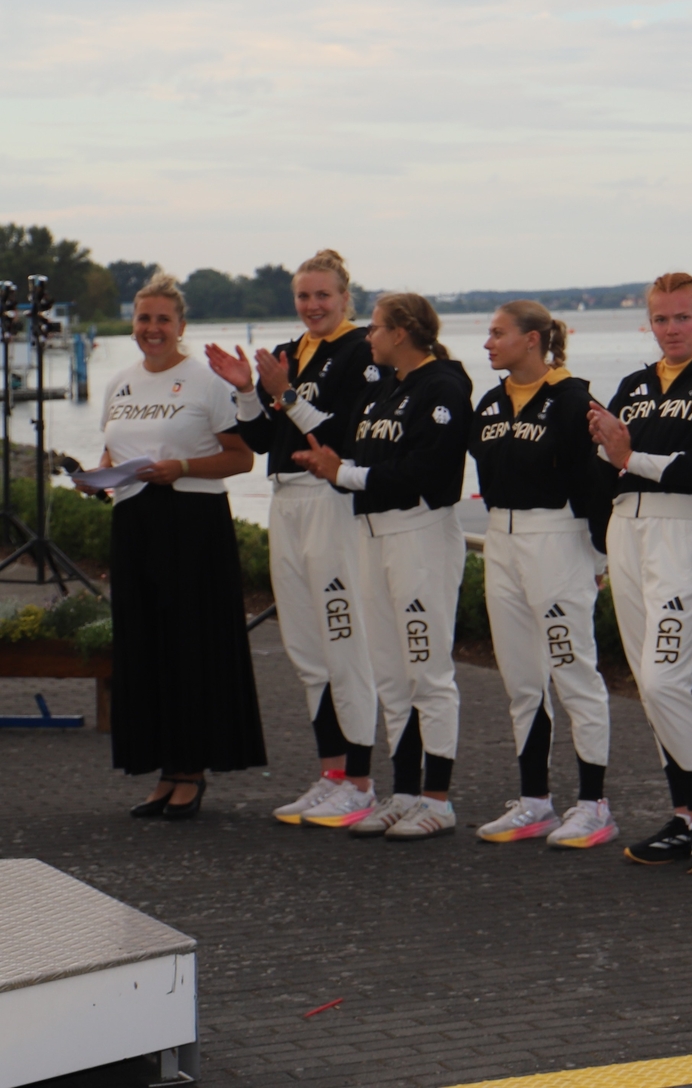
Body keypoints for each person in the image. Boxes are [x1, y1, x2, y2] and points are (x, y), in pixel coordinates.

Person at [589, 272, 692, 875]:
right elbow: (602, 465)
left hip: (682, 533)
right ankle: (685, 819)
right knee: (649, 684)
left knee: (665, 681)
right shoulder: (634, 385)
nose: (671, 329)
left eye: (682, 317)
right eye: (660, 319)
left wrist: (629, 456)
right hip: (625, 532)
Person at [209, 249, 383, 828]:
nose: (312, 305)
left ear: (345, 298)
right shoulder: (290, 352)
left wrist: (286, 395)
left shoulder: (362, 352)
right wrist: (246, 390)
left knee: (344, 643)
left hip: (331, 500)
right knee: (307, 650)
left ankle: (360, 781)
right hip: (284, 498)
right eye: (304, 296)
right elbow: (263, 439)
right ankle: (331, 774)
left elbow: (345, 438)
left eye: (323, 295)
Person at [293, 293, 472, 841]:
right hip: (371, 537)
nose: (367, 336)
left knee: (427, 673)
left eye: (374, 328)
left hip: (419, 536)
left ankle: (438, 800)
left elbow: (422, 469)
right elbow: (352, 455)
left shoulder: (444, 386)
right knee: (391, 676)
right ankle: (406, 792)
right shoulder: (382, 388)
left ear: (401, 333)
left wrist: (342, 474)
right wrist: (329, 461)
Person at [90, 272, 263, 818]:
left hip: (191, 523)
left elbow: (242, 458)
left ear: (181, 326)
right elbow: (114, 454)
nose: (153, 328)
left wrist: (182, 466)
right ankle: (164, 768)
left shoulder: (206, 381)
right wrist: (96, 477)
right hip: (133, 522)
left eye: (163, 319)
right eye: (144, 318)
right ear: (133, 324)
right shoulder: (120, 383)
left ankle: (192, 770)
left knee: (189, 646)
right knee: (143, 645)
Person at [469, 301, 619, 848]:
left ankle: (594, 805)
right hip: (501, 541)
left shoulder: (574, 400)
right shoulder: (490, 403)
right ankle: (534, 802)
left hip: (558, 541)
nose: (488, 343)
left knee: (573, 671)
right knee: (521, 680)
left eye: (498, 333)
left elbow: (599, 486)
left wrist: (599, 558)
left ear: (532, 339)